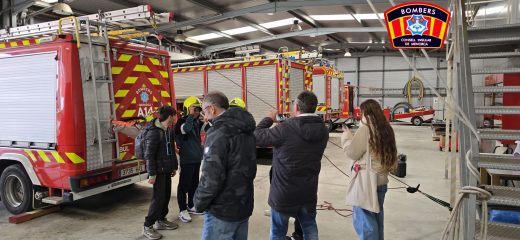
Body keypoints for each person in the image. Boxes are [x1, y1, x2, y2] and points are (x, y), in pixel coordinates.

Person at [255, 91, 329, 240]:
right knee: (310, 229)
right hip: (308, 191)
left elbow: (256, 136)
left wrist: (269, 119)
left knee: (277, 233)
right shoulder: (323, 129)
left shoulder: (286, 128)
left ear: (296, 107)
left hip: (284, 193)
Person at [194, 91, 257, 240]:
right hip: (243, 204)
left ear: (212, 108)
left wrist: (199, 201)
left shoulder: (218, 132)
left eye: (204, 111)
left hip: (222, 209)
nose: (204, 116)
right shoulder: (246, 128)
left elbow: (212, 176)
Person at [341, 99, 397, 240]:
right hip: (381, 182)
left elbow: (352, 152)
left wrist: (347, 137)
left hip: (367, 183)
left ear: (366, 112)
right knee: (377, 220)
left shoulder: (366, 128)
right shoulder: (386, 128)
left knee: (366, 225)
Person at [142, 106, 179, 240]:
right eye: (175, 115)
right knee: (158, 199)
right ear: (170, 116)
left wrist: (174, 166)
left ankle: (161, 220)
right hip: (158, 171)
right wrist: (152, 174)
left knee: (166, 196)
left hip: (167, 169)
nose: (176, 118)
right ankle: (148, 225)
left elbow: (171, 149)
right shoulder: (154, 132)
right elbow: (149, 155)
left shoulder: (168, 130)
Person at [174, 96, 204, 223]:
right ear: (188, 109)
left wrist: (204, 116)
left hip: (196, 158)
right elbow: (185, 130)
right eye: (194, 109)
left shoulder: (197, 121)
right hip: (187, 160)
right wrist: (191, 115)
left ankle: (191, 205)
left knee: (194, 184)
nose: (196, 112)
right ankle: (182, 210)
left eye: (198, 109)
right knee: (183, 186)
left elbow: (209, 128)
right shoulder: (181, 122)